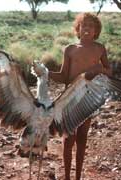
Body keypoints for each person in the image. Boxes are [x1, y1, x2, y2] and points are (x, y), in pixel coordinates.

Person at [36, 12, 112, 180]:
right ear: (78, 28)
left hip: (89, 97)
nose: (87, 28)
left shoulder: (99, 48)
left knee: (82, 137)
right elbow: (64, 76)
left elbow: (109, 70)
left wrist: (98, 69)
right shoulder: (70, 49)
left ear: (96, 31)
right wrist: (46, 73)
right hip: (70, 98)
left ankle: (78, 176)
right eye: (84, 25)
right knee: (68, 138)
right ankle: (68, 177)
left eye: (91, 26)